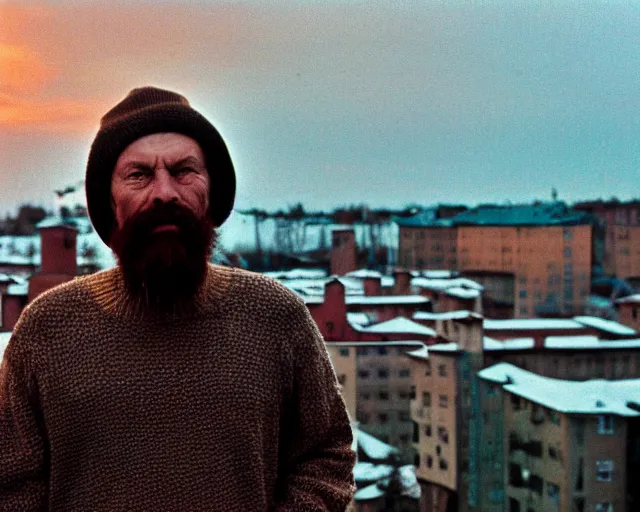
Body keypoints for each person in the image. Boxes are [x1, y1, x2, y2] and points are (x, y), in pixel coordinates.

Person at [0, 86, 356, 511]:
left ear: (212, 193)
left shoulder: (275, 315)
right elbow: (12, 482)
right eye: (139, 175)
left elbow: (326, 454)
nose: (165, 192)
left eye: (183, 170)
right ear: (109, 204)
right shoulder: (48, 326)